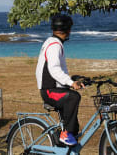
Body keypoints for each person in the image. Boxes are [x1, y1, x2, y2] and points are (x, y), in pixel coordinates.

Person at [35, 14, 84, 146]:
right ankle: (65, 134)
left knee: (74, 129)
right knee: (73, 97)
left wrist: (72, 79)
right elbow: (54, 69)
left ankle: (66, 138)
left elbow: (57, 71)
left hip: (54, 88)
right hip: (49, 91)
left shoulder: (52, 42)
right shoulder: (54, 45)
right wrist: (71, 83)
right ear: (68, 30)